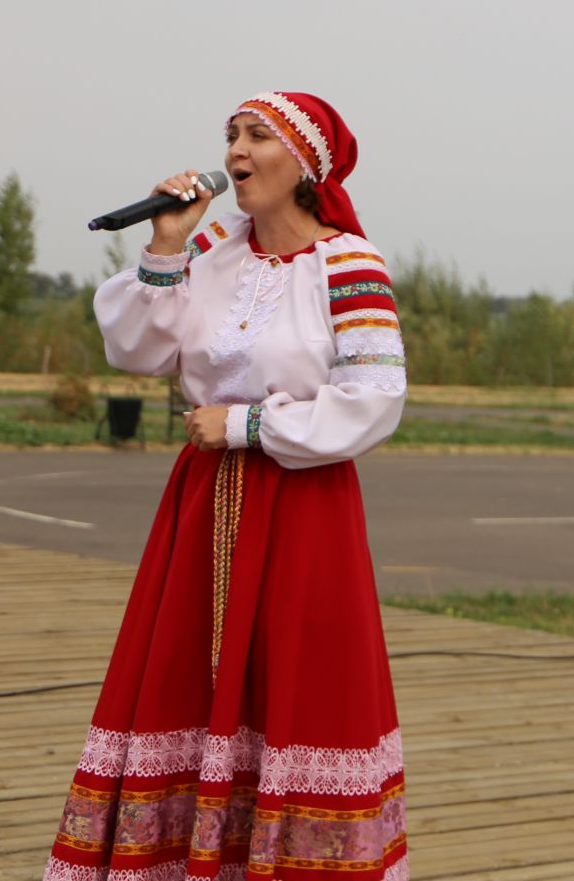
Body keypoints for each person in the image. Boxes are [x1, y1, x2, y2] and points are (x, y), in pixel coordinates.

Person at [46, 92, 410, 881]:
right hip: (205, 502)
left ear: (306, 163)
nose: (236, 152)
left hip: (303, 503)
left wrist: (247, 427)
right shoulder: (211, 251)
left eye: (257, 137)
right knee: (185, 677)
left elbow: (376, 398)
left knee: (296, 687)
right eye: (230, 137)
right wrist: (166, 243)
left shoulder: (348, 263)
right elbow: (140, 351)